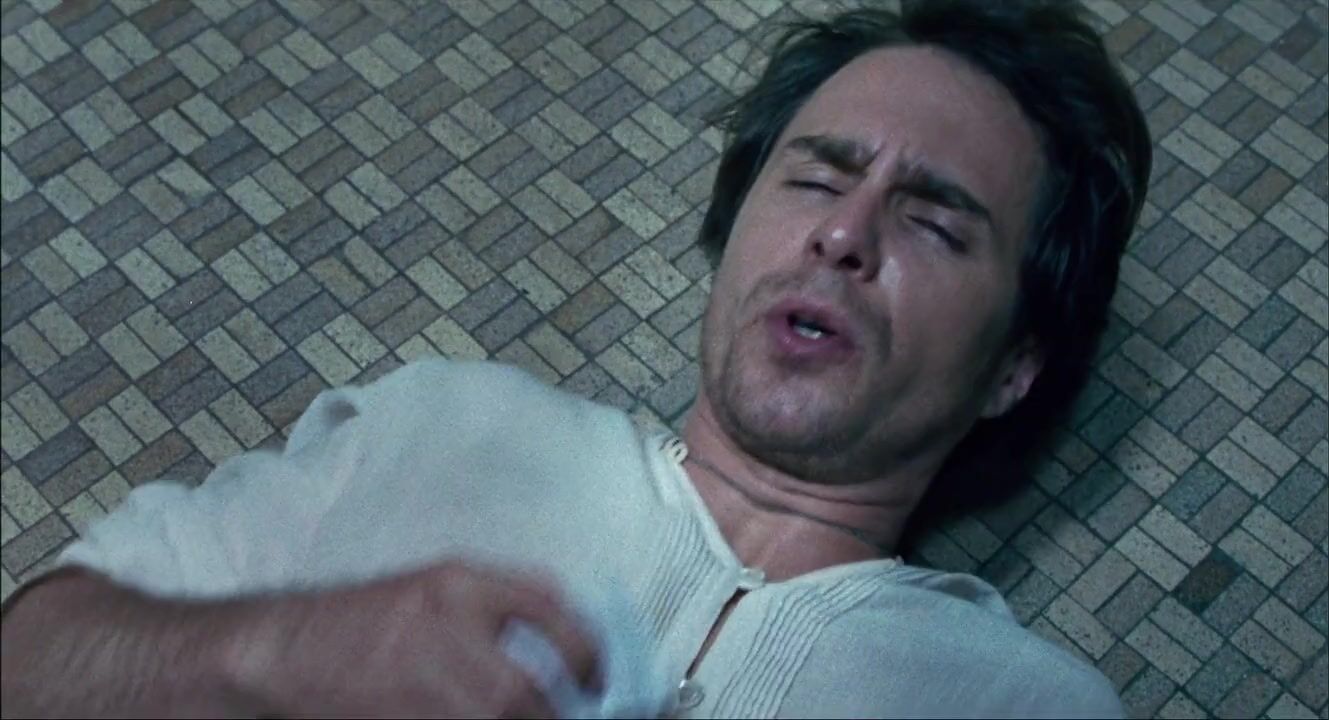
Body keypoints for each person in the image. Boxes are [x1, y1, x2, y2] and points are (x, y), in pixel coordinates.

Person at [0, 0, 1151, 716]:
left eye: (934, 222)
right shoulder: (446, 425)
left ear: (1016, 364)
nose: (844, 234)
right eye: (814, 176)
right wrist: (274, 653)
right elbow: (29, 666)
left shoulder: (1023, 703)